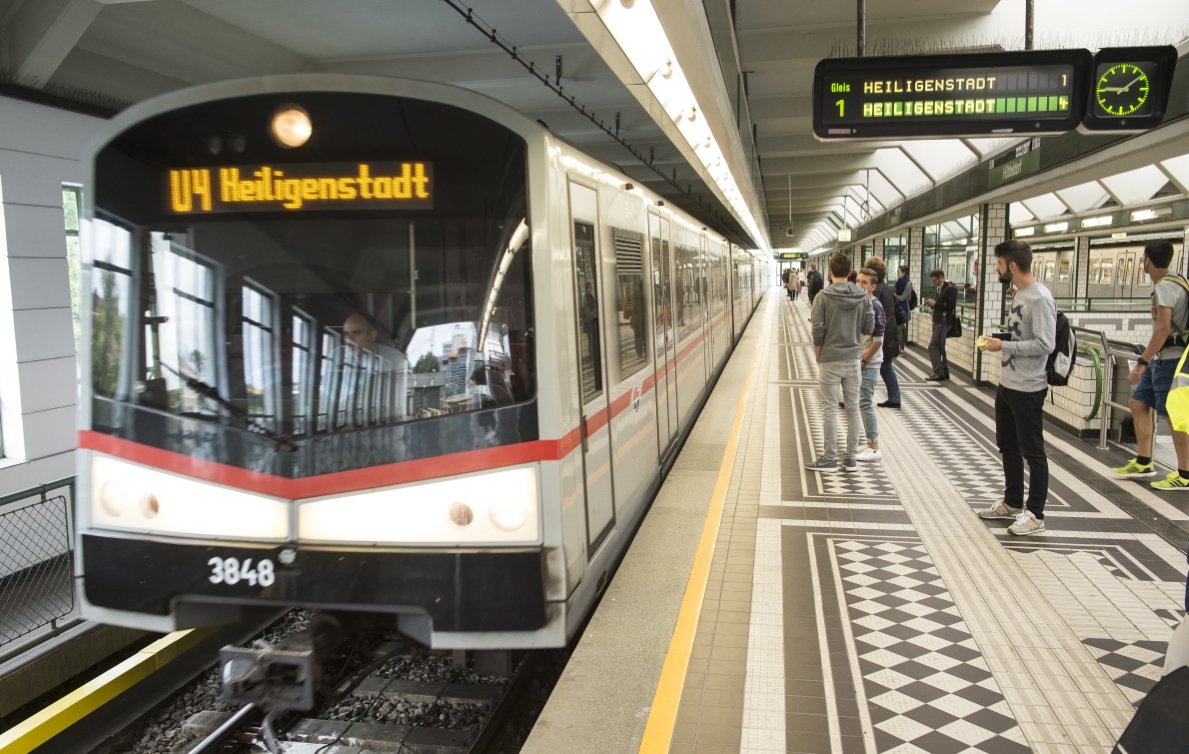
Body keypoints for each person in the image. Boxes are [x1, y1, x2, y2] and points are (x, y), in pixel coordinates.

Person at [978, 240, 1056, 535]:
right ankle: (1012, 502)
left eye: (999, 264)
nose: (997, 269)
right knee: (1008, 445)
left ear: (1012, 265)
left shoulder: (1041, 298)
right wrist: (998, 340)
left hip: (1029, 386)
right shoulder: (1019, 293)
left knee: (1032, 449)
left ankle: (1035, 512)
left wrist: (1005, 344)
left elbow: (1045, 343)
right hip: (1008, 384)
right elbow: (1020, 333)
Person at [1111, 240, 1189, 490]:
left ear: (1147, 260)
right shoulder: (1176, 281)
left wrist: (1141, 361)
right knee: (1137, 402)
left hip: (1171, 359)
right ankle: (1144, 461)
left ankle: (1185, 474)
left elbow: (1164, 328)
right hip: (1160, 358)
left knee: (1173, 416)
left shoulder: (1166, 286)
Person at [805, 253, 874, 473]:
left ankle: (829, 459)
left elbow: (818, 330)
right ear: (851, 273)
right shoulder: (863, 296)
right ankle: (851, 458)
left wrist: (818, 354)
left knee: (830, 410)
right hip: (854, 359)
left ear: (830, 272)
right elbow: (869, 327)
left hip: (830, 359)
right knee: (853, 409)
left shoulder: (822, 297)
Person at [856, 267, 884, 460]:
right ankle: (869, 443)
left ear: (873, 286)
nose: (859, 285)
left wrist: (864, 360)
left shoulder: (875, 306)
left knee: (865, 403)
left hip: (869, 364)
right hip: (863, 362)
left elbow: (878, 340)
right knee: (862, 403)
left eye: (864, 282)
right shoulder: (863, 304)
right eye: (857, 281)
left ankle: (874, 447)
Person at [865, 257, 901, 409]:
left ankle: (894, 398)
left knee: (882, 367)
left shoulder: (876, 290)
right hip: (890, 332)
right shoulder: (885, 287)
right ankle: (894, 397)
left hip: (883, 335)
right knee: (886, 367)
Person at [924, 269, 956, 381]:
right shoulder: (941, 287)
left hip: (943, 321)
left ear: (941, 277)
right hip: (938, 320)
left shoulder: (950, 288)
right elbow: (942, 304)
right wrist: (933, 304)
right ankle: (944, 370)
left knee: (933, 347)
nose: (934, 283)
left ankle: (938, 372)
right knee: (940, 347)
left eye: (934, 280)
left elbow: (951, 305)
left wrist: (935, 303)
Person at [894, 265, 914, 353]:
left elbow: (903, 297)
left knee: (899, 328)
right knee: (900, 328)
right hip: (897, 306)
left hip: (903, 307)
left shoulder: (908, 283)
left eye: (898, 272)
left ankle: (899, 348)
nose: (897, 273)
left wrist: (895, 295)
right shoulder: (899, 282)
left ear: (904, 273)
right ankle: (899, 347)